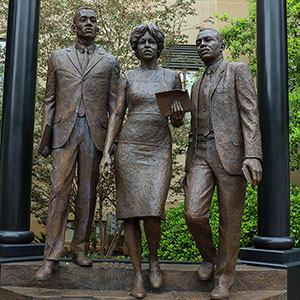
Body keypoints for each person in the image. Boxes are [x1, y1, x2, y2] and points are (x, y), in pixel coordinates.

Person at [34, 7, 119, 281]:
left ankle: (79, 248)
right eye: (83, 20)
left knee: (87, 193)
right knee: (58, 191)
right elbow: (50, 99)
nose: (89, 24)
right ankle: (51, 257)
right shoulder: (58, 57)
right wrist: (45, 135)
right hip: (64, 132)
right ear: (74, 27)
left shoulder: (109, 62)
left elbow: (115, 107)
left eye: (93, 20)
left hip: (94, 133)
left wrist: (110, 146)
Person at [100, 24, 184, 299]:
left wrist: (178, 115)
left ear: (159, 46)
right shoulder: (127, 77)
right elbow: (117, 114)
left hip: (158, 148)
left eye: (152, 41)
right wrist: (106, 153)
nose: (147, 45)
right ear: (135, 48)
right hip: (130, 148)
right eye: (141, 42)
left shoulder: (172, 77)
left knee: (152, 210)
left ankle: (154, 261)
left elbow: (177, 120)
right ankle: (137, 275)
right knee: (130, 212)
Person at [184, 28, 262, 300]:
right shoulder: (195, 86)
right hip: (201, 155)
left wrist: (253, 154)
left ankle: (224, 278)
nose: (202, 45)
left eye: (208, 40)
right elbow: (193, 128)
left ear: (221, 44)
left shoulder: (236, 70)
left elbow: (249, 112)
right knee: (193, 213)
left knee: (230, 220)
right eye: (198, 43)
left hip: (231, 155)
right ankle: (211, 258)